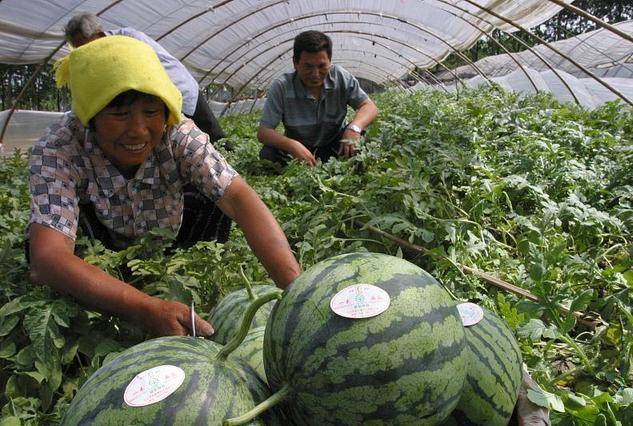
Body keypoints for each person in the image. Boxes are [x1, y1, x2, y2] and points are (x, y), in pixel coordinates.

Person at [27, 35, 300, 337]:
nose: (138, 131)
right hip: (100, 253)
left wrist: (296, 292)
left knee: (217, 192)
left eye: (151, 112)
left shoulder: (179, 133)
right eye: (119, 114)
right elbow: (48, 258)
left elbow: (239, 199)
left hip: (173, 233)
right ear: (91, 116)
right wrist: (144, 308)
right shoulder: (59, 149)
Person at [63, 13, 226, 147]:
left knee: (212, 138)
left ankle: (232, 169)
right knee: (185, 145)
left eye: (84, 46)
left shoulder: (125, 41)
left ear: (98, 35)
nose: (83, 52)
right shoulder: (99, 57)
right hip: (162, 98)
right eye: (78, 49)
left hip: (180, 89)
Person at [257, 30, 378, 166]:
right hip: (300, 149)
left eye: (322, 66)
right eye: (308, 66)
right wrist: (292, 145)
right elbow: (264, 132)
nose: (315, 74)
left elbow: (369, 106)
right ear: (295, 63)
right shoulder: (282, 87)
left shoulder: (340, 77)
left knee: (364, 140)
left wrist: (354, 128)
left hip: (336, 143)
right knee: (268, 154)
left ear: (330, 61)